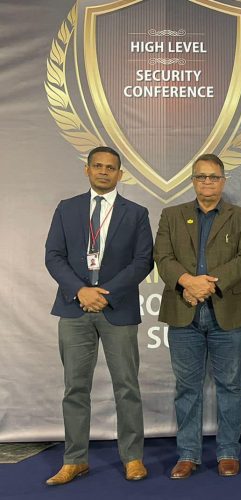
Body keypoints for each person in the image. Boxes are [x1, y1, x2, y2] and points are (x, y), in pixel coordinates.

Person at [44, 146, 153, 485]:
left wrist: (104, 294)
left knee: (127, 386)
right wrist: (80, 291)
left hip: (117, 309)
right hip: (74, 308)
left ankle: (133, 458)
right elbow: (53, 256)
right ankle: (75, 460)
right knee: (75, 388)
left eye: (111, 168)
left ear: (120, 174)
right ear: (87, 170)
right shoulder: (67, 209)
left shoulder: (136, 213)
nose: (104, 172)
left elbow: (142, 261)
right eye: (98, 166)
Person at [154, 153, 241, 479]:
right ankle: (188, 454)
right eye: (201, 177)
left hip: (226, 312)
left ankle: (228, 452)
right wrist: (187, 282)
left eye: (213, 177)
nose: (207, 182)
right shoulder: (172, 215)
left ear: (223, 181)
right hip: (183, 311)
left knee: (230, 385)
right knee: (187, 388)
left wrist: (206, 286)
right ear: (193, 181)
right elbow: (162, 256)